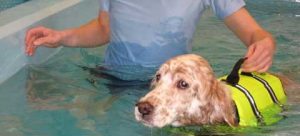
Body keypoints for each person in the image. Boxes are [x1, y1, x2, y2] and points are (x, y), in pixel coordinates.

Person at [25, 0, 276, 78]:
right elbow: (104, 29)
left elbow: (254, 33)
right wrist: (62, 37)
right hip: (112, 79)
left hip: (168, 86)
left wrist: (265, 43)